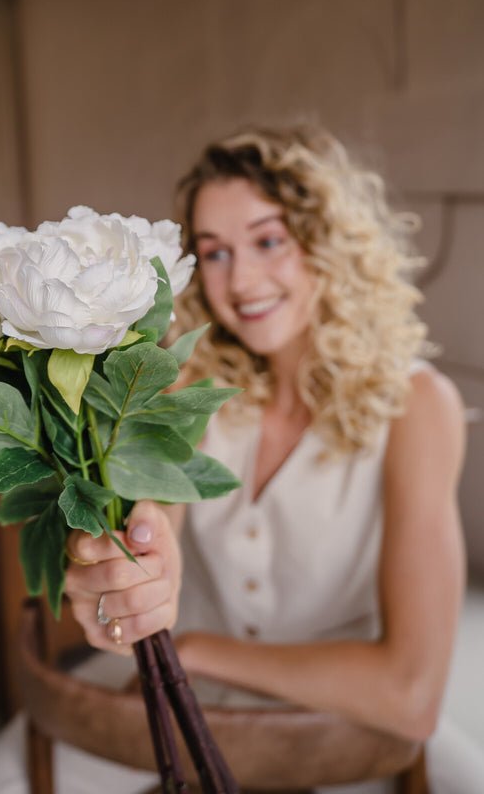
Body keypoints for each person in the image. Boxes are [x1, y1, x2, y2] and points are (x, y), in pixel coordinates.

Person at [64, 125, 475, 793]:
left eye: (267, 240)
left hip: (342, 710)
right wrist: (126, 580)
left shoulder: (419, 404)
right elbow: (148, 521)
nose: (242, 280)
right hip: (170, 687)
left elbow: (411, 693)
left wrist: (198, 651)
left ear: (325, 241)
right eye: (215, 252)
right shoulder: (188, 383)